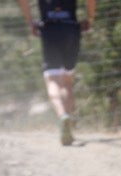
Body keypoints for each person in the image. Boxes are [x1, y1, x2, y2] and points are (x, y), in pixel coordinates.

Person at [17, 0, 97, 145]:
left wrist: (30, 21)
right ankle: (68, 126)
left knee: (52, 80)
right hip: (72, 29)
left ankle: (63, 116)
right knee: (67, 81)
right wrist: (90, 18)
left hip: (50, 30)